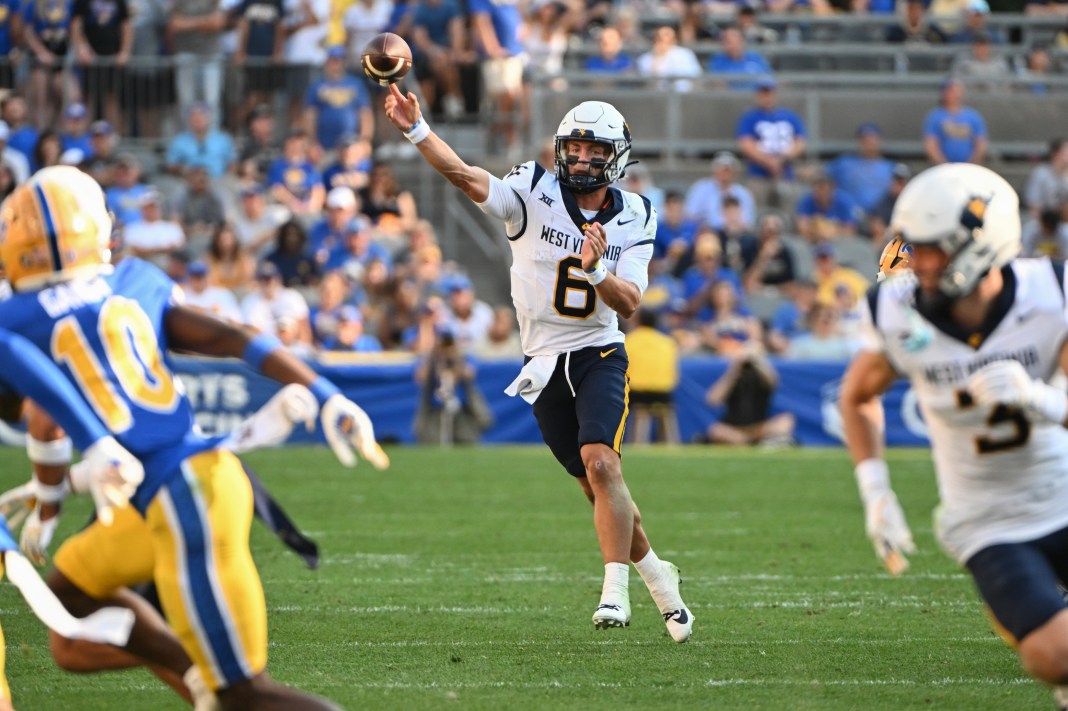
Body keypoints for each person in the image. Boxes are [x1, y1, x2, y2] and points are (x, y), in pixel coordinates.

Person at [0, 165, 388, 711]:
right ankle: (195, 668)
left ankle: (206, 677)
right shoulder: (134, 281)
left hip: (183, 495)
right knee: (70, 607)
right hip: (170, 489)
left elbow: (35, 412)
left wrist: (51, 495)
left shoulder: (15, 318)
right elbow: (231, 335)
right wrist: (326, 393)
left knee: (246, 698)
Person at [382, 87, 693, 641]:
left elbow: (630, 303)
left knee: (602, 463)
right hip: (542, 359)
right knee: (596, 486)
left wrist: (597, 271)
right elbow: (464, 175)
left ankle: (614, 593)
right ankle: (661, 583)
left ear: (615, 158)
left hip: (598, 350)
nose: (579, 159)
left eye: (593, 151)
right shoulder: (532, 188)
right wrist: (416, 130)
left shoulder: (636, 214)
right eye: (572, 148)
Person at [839, 163, 1068, 709]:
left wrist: (1042, 400)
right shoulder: (895, 311)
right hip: (988, 521)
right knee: (1052, 656)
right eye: (914, 248)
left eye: (935, 249)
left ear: (984, 240)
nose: (921, 264)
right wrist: (876, 492)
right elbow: (858, 395)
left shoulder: (1051, 292)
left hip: (1062, 489)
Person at [694, 342, 795, 447]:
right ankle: (751, 443)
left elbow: (774, 382)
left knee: (786, 420)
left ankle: (748, 443)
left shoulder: (764, 376)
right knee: (716, 431)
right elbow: (712, 400)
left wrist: (758, 360)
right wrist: (735, 368)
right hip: (734, 428)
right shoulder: (732, 377)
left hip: (758, 428)